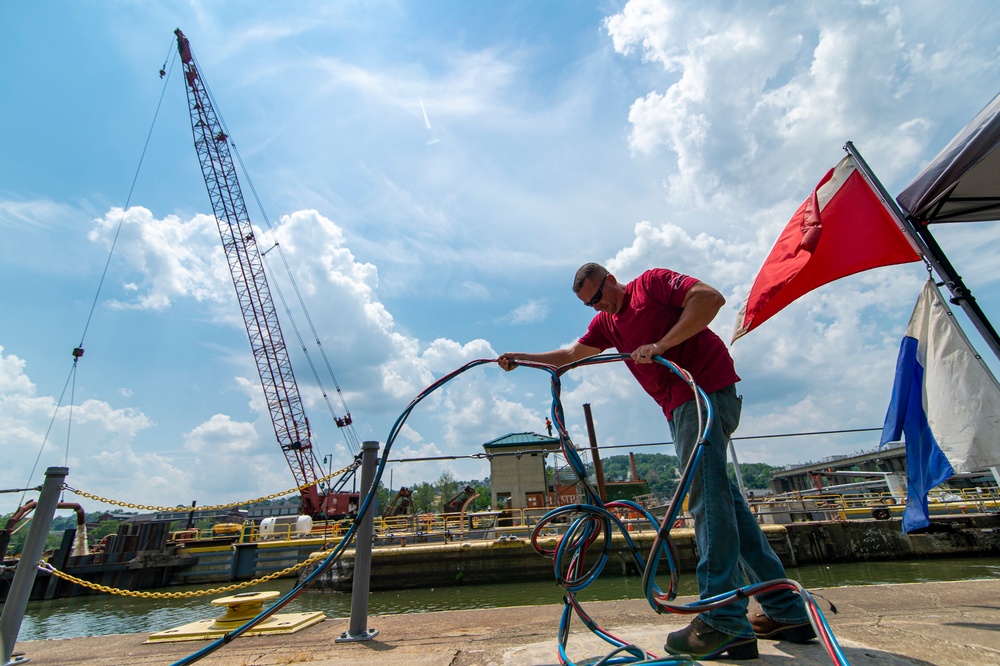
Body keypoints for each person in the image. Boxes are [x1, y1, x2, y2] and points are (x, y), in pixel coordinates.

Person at [499, 263, 814, 661]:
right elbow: (570, 355)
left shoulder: (652, 284)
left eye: (599, 296)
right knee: (726, 505)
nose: (599, 306)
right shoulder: (608, 323)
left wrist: (661, 345)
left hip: (702, 394)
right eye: (589, 304)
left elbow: (710, 299)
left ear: (611, 279)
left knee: (707, 504)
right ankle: (786, 611)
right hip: (681, 407)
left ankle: (724, 620)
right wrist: (522, 358)